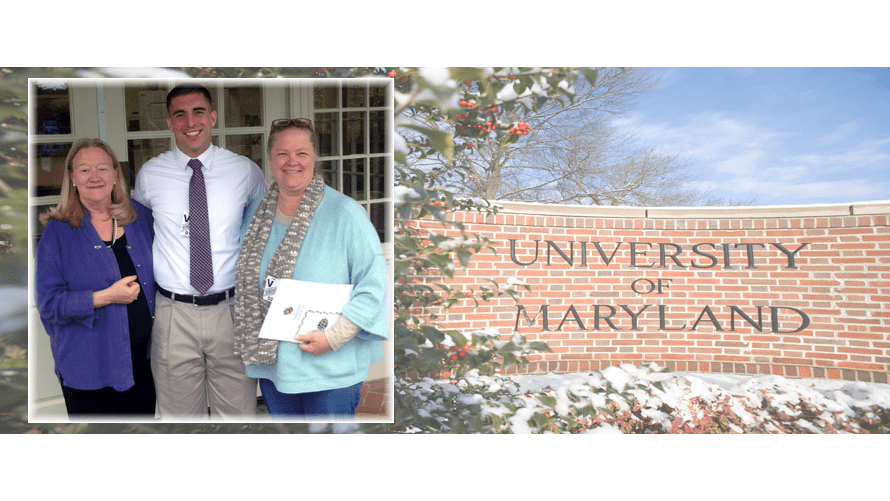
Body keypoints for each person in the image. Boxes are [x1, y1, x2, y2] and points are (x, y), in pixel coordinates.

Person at [234, 118, 389, 418]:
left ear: (314, 158)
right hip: (275, 365)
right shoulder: (255, 211)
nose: (292, 161)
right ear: (270, 159)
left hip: (329, 367)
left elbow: (374, 285)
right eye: (282, 153)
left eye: (301, 153)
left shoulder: (345, 213)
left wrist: (333, 338)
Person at [133, 83, 267, 420]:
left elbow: (262, 231)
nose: (190, 121)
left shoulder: (245, 171)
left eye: (198, 112)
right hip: (173, 313)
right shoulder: (150, 175)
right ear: (169, 122)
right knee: (179, 419)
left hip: (232, 311)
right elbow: (142, 232)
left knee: (238, 416)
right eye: (180, 114)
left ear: (213, 116)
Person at [36, 138, 156, 418]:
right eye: (84, 170)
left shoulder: (140, 219)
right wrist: (105, 297)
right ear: (72, 178)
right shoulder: (58, 232)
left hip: (143, 363)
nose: (94, 177)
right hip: (88, 367)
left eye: (102, 168)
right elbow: (49, 304)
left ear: (115, 173)